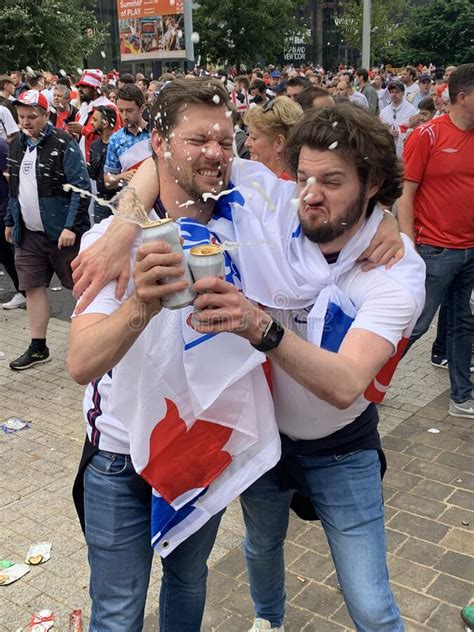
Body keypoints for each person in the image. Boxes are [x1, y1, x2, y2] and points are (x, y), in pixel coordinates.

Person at [72, 99, 423, 632]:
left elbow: (347, 384)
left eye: (332, 181)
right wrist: (125, 225)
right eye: (304, 177)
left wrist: (258, 324)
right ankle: (269, 621)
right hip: (253, 435)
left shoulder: (393, 268)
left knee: (370, 602)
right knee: (255, 548)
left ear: (371, 185)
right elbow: (177, 157)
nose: (310, 194)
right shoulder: (268, 210)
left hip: (339, 447)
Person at [67, 77, 279, 632]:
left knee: (189, 583)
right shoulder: (111, 240)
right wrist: (140, 303)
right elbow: (80, 363)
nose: (215, 152)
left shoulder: (249, 224)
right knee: (117, 612)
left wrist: (383, 224)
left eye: (224, 140)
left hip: (201, 444)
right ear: (160, 142)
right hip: (118, 459)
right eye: (198, 140)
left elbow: (335, 187)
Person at [398, 63, 474, 419]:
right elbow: (405, 194)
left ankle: (462, 397)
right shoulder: (426, 135)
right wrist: (409, 244)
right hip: (434, 250)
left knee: (463, 324)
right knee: (416, 325)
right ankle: (365, 381)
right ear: (463, 97)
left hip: (470, 251)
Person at [4, 90, 91, 369]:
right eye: (21, 117)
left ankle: (90, 342)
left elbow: (81, 187)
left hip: (62, 233)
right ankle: (38, 346)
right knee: (32, 287)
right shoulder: (16, 143)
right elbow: (14, 188)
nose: (26, 122)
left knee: (80, 288)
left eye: (32, 117)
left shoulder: (64, 142)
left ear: (45, 115)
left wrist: (71, 227)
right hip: (28, 233)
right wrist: (10, 220)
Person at [103, 84, 151, 192]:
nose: (124, 116)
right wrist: (121, 176)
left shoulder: (156, 134)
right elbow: (107, 181)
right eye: (120, 110)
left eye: (130, 111)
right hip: (131, 201)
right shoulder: (115, 140)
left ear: (142, 108)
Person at [68, 69, 121, 162]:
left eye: (84, 86)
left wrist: (83, 130)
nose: (80, 89)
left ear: (96, 90)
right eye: (79, 86)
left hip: (100, 163)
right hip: (82, 163)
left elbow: (114, 136)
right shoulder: (84, 108)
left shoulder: (109, 107)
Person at [244, 96, 303, 178]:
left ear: (279, 143)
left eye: (254, 138)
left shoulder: (287, 188)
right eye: (248, 135)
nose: (247, 143)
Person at [0, 135, 26, 309]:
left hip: (3, 209)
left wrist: (11, 212)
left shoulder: (1, 147)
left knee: (7, 253)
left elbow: (12, 181)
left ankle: (24, 291)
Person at [88, 106, 118, 223]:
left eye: (95, 120)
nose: (91, 123)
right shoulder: (94, 146)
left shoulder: (119, 143)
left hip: (119, 202)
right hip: (101, 202)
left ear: (105, 123)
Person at [380, 81, 417, 157]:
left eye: (397, 92)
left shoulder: (411, 110)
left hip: (405, 151)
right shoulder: (384, 112)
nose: (394, 95)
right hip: (388, 151)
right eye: (392, 92)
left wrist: (400, 132)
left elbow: (414, 130)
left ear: (403, 93)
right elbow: (380, 130)